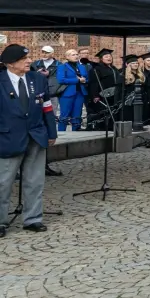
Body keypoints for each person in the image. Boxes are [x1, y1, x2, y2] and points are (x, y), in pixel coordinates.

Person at [0, 44, 57, 237]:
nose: (29, 61)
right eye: (24, 59)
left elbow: (47, 107)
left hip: (36, 136)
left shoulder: (37, 79)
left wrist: (51, 132)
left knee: (35, 181)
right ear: (10, 63)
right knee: (3, 182)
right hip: (8, 138)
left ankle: (33, 219)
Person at [55, 49, 89, 132]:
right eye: (73, 55)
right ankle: (61, 133)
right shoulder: (62, 67)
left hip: (80, 93)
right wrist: (77, 80)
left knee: (77, 115)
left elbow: (86, 78)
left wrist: (84, 80)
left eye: (77, 54)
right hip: (67, 94)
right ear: (67, 57)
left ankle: (76, 132)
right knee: (64, 115)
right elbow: (61, 80)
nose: (76, 56)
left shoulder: (82, 67)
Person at [87, 49, 119, 131]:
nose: (109, 58)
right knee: (103, 111)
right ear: (101, 59)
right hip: (102, 94)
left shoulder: (114, 68)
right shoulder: (96, 69)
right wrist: (95, 95)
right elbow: (93, 83)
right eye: (106, 56)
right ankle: (103, 128)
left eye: (110, 56)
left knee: (113, 110)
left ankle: (112, 127)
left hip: (114, 94)